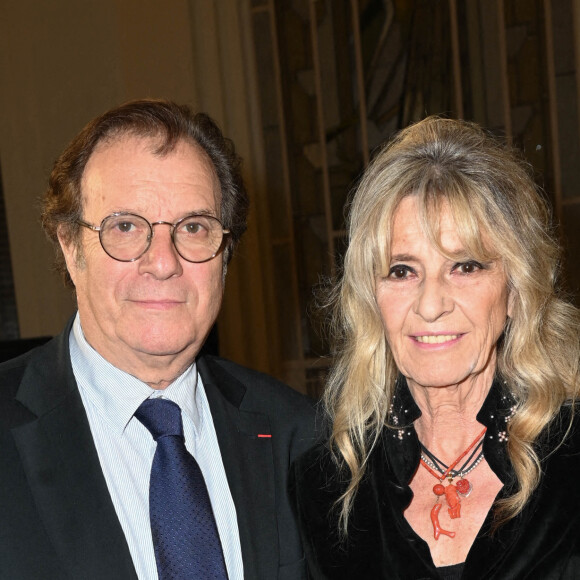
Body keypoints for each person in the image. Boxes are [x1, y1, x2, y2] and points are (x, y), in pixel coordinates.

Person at [0, 99, 316, 580]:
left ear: (225, 253)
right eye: (125, 227)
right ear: (69, 245)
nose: (164, 262)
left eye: (194, 227)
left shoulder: (300, 436)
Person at [289, 116, 580, 579]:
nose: (430, 305)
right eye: (402, 270)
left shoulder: (571, 453)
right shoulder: (326, 488)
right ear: (371, 296)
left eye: (464, 266)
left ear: (515, 287)